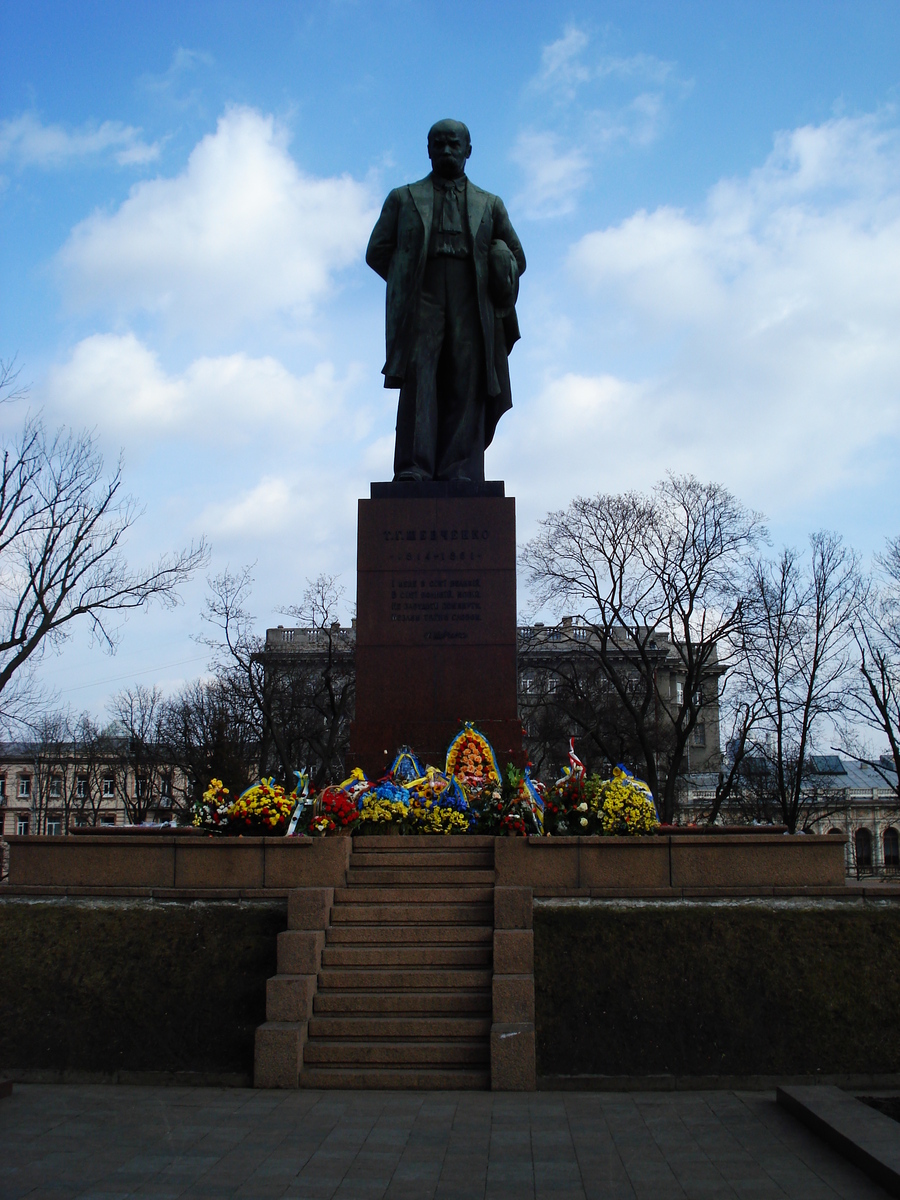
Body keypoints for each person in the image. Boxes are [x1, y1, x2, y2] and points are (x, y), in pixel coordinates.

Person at [366, 119, 526, 483]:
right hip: (423, 294)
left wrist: (501, 256)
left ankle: (461, 468)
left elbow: (518, 255)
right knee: (420, 377)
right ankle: (413, 466)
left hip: (472, 295)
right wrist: (405, 278)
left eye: (454, 144)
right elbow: (377, 251)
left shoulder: (490, 203)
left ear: (469, 150)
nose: (446, 151)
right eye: (438, 144)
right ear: (428, 149)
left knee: (465, 378)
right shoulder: (403, 198)